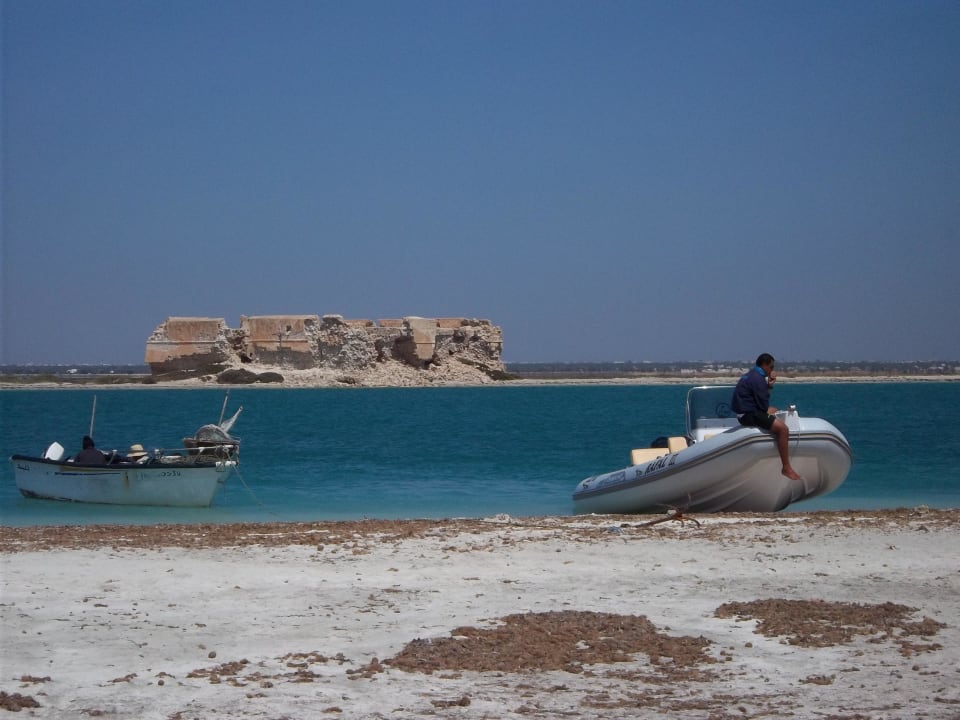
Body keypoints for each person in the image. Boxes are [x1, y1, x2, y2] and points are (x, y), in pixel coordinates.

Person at [731, 353, 802, 481]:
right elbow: (764, 406)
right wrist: (769, 387)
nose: (772, 370)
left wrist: (768, 386)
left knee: (773, 409)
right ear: (764, 365)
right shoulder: (758, 379)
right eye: (771, 367)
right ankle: (786, 467)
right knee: (783, 430)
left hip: (744, 413)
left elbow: (761, 403)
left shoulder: (751, 375)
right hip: (748, 415)